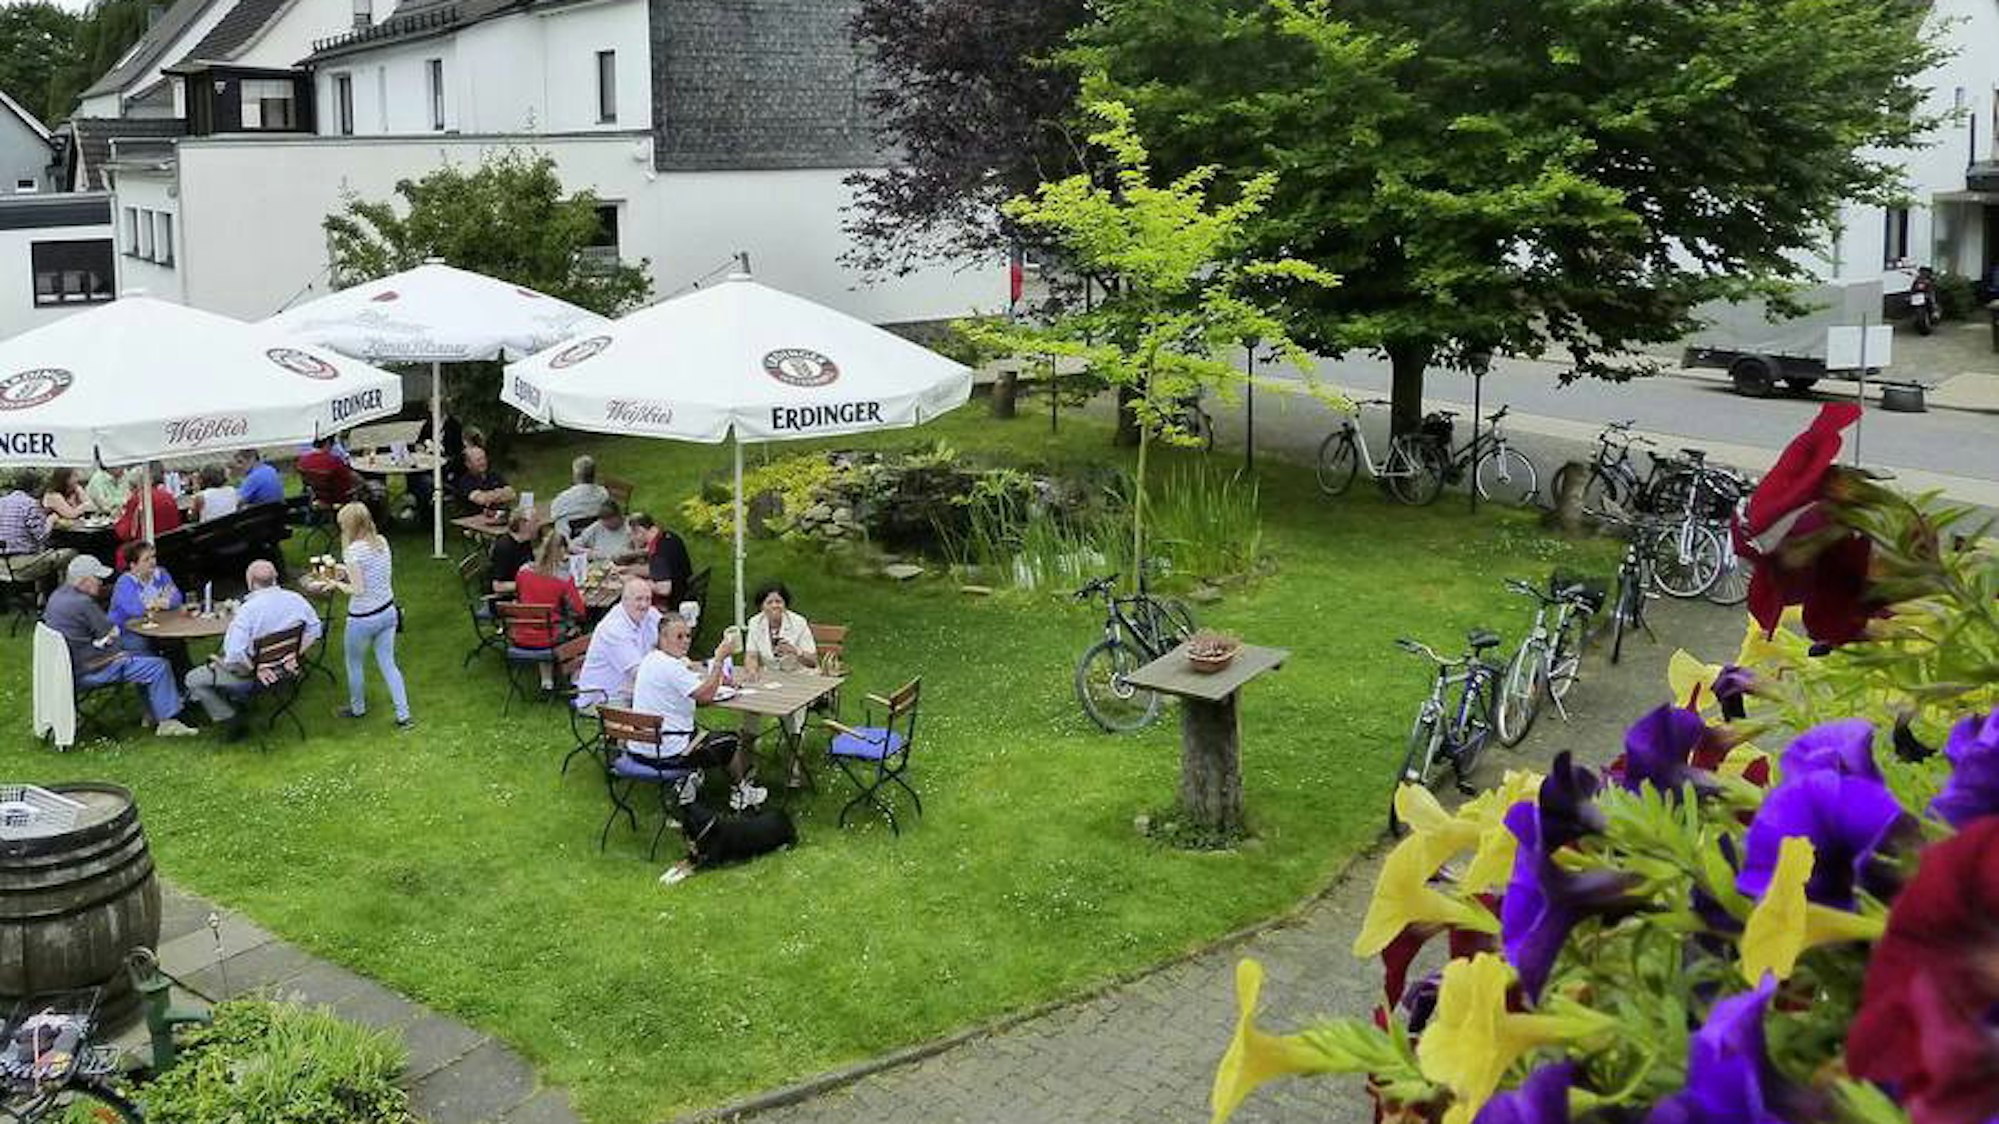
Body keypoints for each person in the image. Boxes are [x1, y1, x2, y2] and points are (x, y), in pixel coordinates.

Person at [44, 556, 197, 736]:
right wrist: (113, 647)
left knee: (139, 649)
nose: (101, 583)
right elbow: (109, 632)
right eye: (98, 579)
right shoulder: (83, 603)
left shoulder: (57, 596)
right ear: (84, 580)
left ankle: (151, 711)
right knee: (157, 665)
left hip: (64, 667)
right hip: (88, 670)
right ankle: (167, 721)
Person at [629, 613, 763, 815]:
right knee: (731, 740)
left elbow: (686, 692)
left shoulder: (650, 660)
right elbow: (706, 696)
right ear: (663, 638)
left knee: (697, 730)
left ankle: (686, 785)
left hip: (641, 746)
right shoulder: (671, 667)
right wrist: (719, 661)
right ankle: (741, 793)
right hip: (669, 751)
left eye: (688, 636)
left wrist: (715, 680)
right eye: (679, 637)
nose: (685, 642)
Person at [183, 559, 322, 741]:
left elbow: (235, 653)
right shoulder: (295, 599)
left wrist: (256, 668)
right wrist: (295, 654)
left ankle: (230, 717)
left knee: (192, 679)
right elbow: (315, 628)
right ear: (276, 578)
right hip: (286, 668)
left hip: (256, 675)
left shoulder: (247, 611)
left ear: (250, 582)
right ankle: (237, 704)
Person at [329, 503, 412, 729]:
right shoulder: (381, 543)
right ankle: (404, 715)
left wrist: (334, 582)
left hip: (362, 618)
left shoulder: (353, 551)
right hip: (387, 611)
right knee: (388, 663)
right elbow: (370, 573)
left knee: (354, 663)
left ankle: (357, 708)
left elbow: (357, 589)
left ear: (350, 525)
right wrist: (343, 569)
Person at [573, 577, 659, 709]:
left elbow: (670, 637)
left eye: (648, 599)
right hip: (603, 700)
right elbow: (638, 672)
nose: (644, 605)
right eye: (639, 599)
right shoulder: (614, 628)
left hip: (627, 691)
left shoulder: (650, 614)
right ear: (624, 600)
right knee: (663, 707)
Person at [511, 529, 585, 659]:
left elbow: (519, 596)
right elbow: (579, 612)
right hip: (551, 635)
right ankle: (574, 666)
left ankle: (547, 675)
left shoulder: (523, 571)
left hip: (521, 632)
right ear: (562, 550)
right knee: (581, 624)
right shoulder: (563, 578)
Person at [1, 471, 76, 587]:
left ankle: (42, 594)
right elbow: (42, 537)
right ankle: (61, 596)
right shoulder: (30, 504)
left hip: (2, 565)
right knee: (69, 553)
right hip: (22, 566)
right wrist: (51, 520)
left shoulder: (2, 501)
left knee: (45, 553)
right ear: (34, 487)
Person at [626, 513, 693, 605]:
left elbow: (664, 589)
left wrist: (634, 581)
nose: (631, 539)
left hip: (671, 602)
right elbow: (659, 570)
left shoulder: (658, 552)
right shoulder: (669, 536)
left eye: (631, 535)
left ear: (640, 530)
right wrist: (629, 570)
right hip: (684, 588)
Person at [113, 463, 182, 552]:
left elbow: (125, 534)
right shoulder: (167, 495)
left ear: (134, 486)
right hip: (171, 545)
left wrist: (118, 519)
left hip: (146, 549)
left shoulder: (138, 500)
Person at [549, 455, 609, 530]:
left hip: (571, 540)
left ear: (575, 475)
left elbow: (553, 516)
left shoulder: (561, 500)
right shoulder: (603, 494)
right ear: (594, 474)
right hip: (598, 538)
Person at [487, 512, 538, 597]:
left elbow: (531, 564)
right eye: (535, 522)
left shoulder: (525, 541)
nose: (538, 526)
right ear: (523, 525)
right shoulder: (505, 548)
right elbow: (498, 586)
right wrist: (528, 583)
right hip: (507, 599)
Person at [569, 501, 637, 563]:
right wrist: (589, 553)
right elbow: (573, 546)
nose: (607, 524)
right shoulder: (597, 526)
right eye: (604, 521)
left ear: (619, 515)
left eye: (611, 520)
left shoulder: (630, 527)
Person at [453, 445, 515, 511]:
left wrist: (489, 496)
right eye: (478, 460)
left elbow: (511, 494)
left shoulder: (494, 475)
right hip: (473, 518)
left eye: (484, 458)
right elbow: (481, 500)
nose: (483, 462)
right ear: (468, 464)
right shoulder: (465, 481)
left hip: (496, 516)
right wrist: (499, 493)